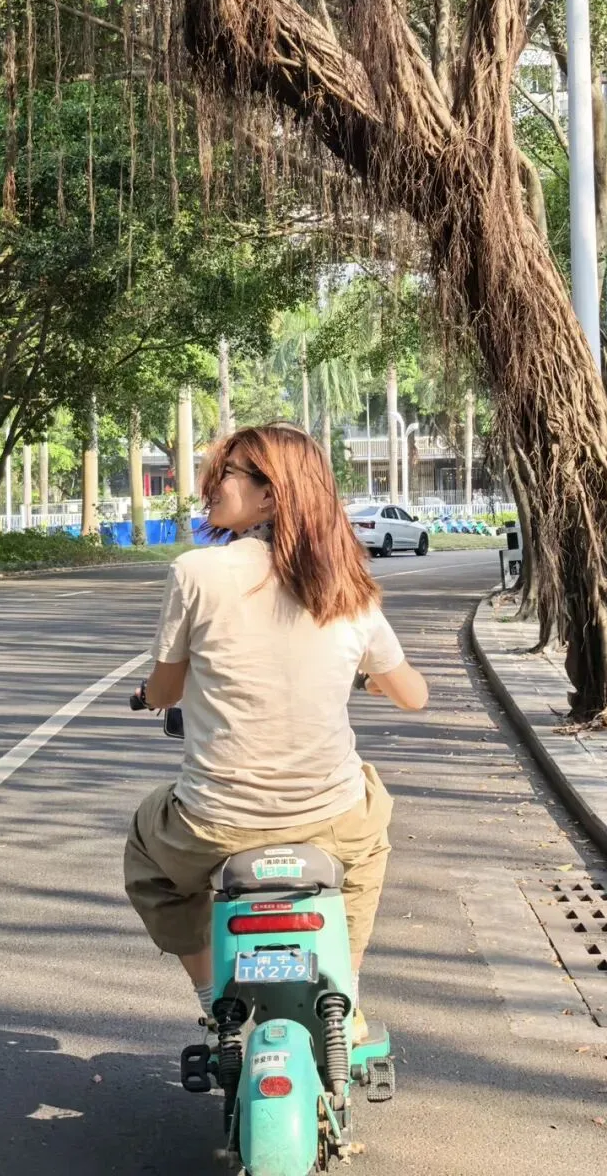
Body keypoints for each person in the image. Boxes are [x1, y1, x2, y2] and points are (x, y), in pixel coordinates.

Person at [124, 423, 428, 1040]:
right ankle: (344, 994)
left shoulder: (196, 572)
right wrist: (370, 680)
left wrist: (147, 698)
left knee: (147, 854)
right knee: (369, 841)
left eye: (226, 474)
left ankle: (214, 1000)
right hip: (330, 820)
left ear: (271, 494)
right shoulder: (348, 587)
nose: (210, 486)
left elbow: (166, 690)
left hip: (214, 824)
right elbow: (413, 696)